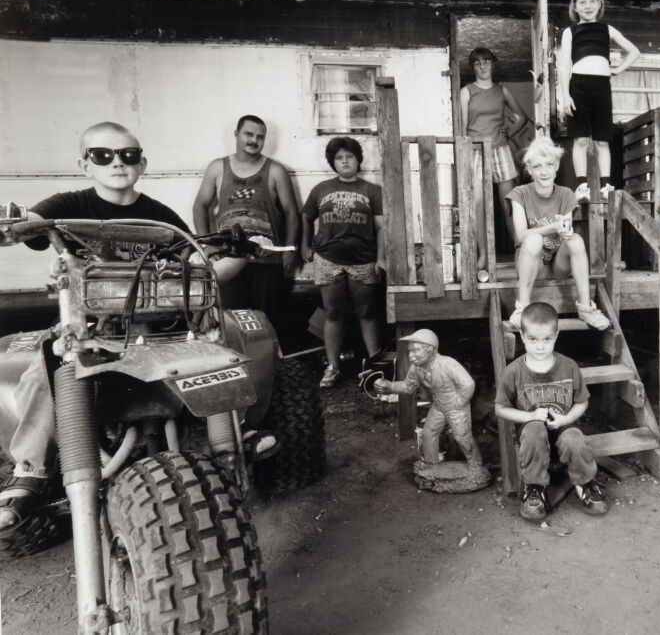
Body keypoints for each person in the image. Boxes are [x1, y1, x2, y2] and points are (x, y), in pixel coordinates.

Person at [0, 122, 193, 533]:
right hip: (87, 322)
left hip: (153, 322)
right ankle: (31, 469)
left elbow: (195, 255)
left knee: (217, 344)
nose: (117, 163)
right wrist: (13, 225)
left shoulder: (161, 217)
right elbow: (28, 223)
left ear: (142, 162)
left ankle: (237, 433)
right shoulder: (69, 204)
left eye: (128, 154)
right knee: (48, 366)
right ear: (85, 164)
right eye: (103, 155)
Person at [494, 301, 608, 520]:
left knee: (575, 437)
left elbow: (582, 402)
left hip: (563, 429)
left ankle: (586, 483)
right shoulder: (513, 371)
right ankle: (534, 487)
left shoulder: (569, 366)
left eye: (547, 339)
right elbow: (500, 409)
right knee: (535, 430)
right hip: (532, 438)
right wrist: (529, 416)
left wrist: (566, 417)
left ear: (556, 335)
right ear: (522, 335)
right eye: (533, 340)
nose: (540, 346)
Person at [193, 115, 300, 329]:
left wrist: (290, 251)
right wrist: (206, 245)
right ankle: (237, 361)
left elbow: (292, 213)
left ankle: (267, 362)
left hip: (266, 260)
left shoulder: (276, 170)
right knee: (231, 320)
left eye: (260, 137)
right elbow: (200, 206)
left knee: (266, 321)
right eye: (249, 134)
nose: (254, 140)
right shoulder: (218, 167)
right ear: (236, 134)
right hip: (228, 259)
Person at [301, 137, 386, 387]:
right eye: (339, 157)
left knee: (367, 312)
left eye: (349, 156)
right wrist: (305, 246)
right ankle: (333, 367)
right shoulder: (320, 189)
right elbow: (306, 217)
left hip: (363, 260)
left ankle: (374, 367)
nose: (345, 160)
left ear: (359, 159)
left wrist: (380, 258)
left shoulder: (372, 190)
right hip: (328, 259)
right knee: (333, 312)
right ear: (332, 163)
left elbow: (381, 228)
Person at [506, 136, 610, 330]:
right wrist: (553, 227)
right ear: (529, 170)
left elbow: (565, 232)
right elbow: (520, 236)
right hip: (531, 265)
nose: (544, 171)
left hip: (557, 266)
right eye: (537, 166)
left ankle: (586, 308)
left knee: (576, 240)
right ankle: (523, 309)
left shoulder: (566, 195)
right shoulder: (519, 194)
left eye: (549, 165)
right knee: (533, 239)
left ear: (557, 166)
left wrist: (563, 229)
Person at [557, 0, 640, 203]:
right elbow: (564, 66)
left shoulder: (607, 29)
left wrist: (617, 69)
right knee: (581, 140)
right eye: (582, 2)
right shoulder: (570, 32)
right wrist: (565, 96)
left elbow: (634, 51)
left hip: (602, 86)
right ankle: (582, 185)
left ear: (600, 4)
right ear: (574, 7)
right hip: (579, 87)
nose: (587, 5)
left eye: (592, 1)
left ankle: (606, 186)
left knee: (603, 140)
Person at [373, 329, 483, 467]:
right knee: (428, 433)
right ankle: (431, 466)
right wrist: (389, 386)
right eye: (409, 352)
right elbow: (408, 387)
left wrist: (459, 403)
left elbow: (468, 384)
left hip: (455, 406)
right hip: (438, 405)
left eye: (415, 351)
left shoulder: (447, 364)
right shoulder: (416, 368)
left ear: (430, 350)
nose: (411, 356)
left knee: (462, 437)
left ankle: (476, 466)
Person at [459, 47, 528, 257]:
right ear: (473, 66)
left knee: (509, 201)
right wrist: (463, 152)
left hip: (500, 148)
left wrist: (507, 132)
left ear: (493, 64)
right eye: (478, 62)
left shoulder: (502, 91)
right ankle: (483, 254)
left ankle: (520, 248)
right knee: (478, 202)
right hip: (475, 149)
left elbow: (521, 117)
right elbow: (461, 129)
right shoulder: (466, 91)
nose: (482, 66)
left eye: (486, 61)